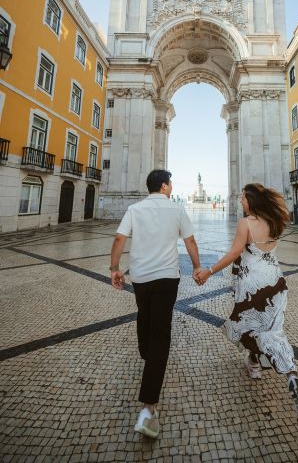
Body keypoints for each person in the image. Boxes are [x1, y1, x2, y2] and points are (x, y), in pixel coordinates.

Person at [194, 183, 298, 433]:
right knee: (272, 330)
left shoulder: (246, 224)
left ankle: (255, 362)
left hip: (252, 286)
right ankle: (290, 375)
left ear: (250, 200)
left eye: (242, 197)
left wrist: (209, 271)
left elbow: (234, 254)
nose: (240, 200)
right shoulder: (275, 221)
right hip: (276, 282)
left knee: (248, 326)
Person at [110, 169, 201, 439]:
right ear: (164, 186)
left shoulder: (135, 209)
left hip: (141, 278)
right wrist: (197, 267)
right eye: (170, 182)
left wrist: (114, 268)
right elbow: (191, 241)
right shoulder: (176, 209)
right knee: (160, 333)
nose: (172, 186)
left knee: (144, 316)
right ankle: (148, 408)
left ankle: (148, 356)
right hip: (167, 279)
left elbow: (118, 239)